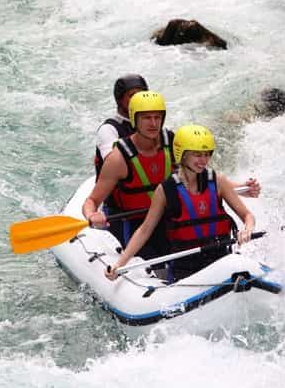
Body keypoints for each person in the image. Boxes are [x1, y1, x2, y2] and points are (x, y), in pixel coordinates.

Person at [106, 124, 256, 282]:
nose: (203, 160)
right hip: (185, 268)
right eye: (197, 155)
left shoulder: (219, 182)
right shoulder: (165, 190)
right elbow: (145, 230)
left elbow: (247, 215)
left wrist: (247, 229)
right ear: (182, 155)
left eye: (207, 154)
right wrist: (120, 264)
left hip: (220, 258)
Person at [83, 90, 175, 259]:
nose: (153, 123)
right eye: (147, 118)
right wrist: (92, 215)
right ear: (134, 120)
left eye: (157, 117)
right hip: (133, 226)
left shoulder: (173, 144)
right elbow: (91, 201)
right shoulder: (118, 159)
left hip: (169, 221)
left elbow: (202, 174)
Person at [94, 74, 149, 177]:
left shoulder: (152, 124)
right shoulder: (108, 130)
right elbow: (114, 166)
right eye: (132, 95)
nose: (138, 100)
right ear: (119, 100)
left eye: (142, 95)